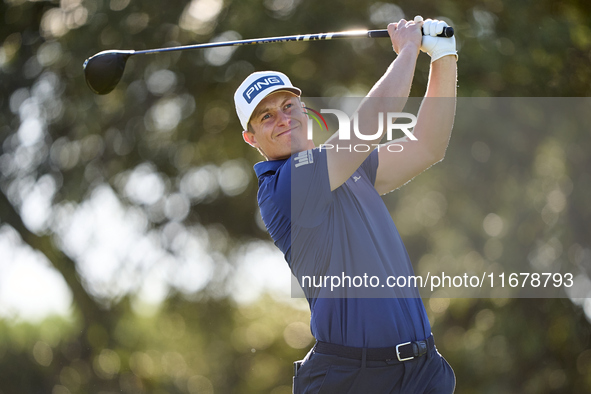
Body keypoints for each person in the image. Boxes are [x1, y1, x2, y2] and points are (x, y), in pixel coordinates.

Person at [234, 16, 457, 394]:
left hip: (422, 373)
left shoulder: (348, 167)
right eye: (266, 116)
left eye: (288, 105)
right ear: (251, 138)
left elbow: (427, 146)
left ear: (304, 109)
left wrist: (443, 56)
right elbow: (368, 124)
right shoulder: (283, 185)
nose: (283, 119)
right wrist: (406, 50)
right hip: (354, 378)